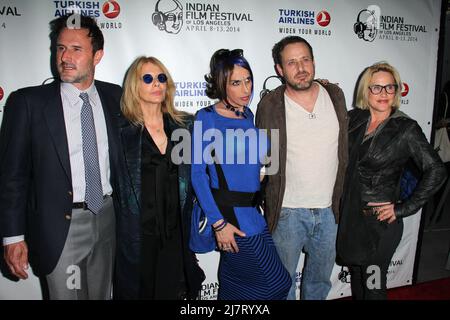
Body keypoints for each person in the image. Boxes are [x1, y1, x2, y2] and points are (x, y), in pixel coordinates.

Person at [0, 14, 122, 299]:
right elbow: (12, 176)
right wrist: (13, 236)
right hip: (60, 226)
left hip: (108, 218)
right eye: (60, 48)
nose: (65, 57)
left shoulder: (115, 97)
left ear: (98, 55)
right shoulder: (27, 103)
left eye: (76, 49)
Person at [336, 61, 447, 300]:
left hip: (380, 226)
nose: (384, 93)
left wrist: (403, 207)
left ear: (396, 91)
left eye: (390, 87)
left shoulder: (405, 128)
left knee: (374, 285)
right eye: (376, 87)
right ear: (366, 91)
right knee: (357, 277)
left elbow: (437, 170)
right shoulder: (354, 119)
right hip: (352, 220)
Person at [191, 48, 291, 300]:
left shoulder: (247, 114)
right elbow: (198, 176)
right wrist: (219, 224)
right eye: (236, 83)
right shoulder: (206, 118)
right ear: (221, 84)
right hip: (229, 215)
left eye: (248, 80)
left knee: (236, 283)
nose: (246, 89)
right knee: (277, 284)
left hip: (252, 210)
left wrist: (261, 169)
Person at [255, 36, 348, 300]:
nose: (301, 67)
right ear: (280, 70)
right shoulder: (270, 105)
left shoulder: (335, 95)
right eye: (292, 62)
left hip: (331, 212)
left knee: (319, 283)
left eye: (305, 59)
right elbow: (264, 156)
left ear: (314, 62)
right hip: (287, 213)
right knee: (282, 285)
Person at [115, 56, 204, 300]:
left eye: (161, 78)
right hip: (137, 236)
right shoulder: (120, 130)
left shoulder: (185, 125)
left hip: (176, 233)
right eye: (148, 78)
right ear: (135, 85)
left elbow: (203, 170)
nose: (157, 84)